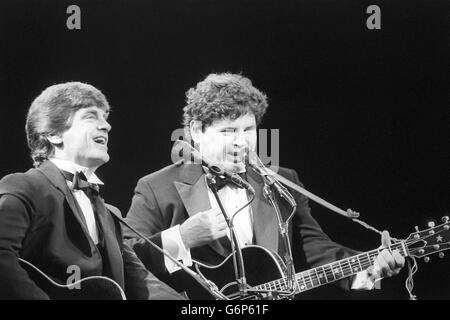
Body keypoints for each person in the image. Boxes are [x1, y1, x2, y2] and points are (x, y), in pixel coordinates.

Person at [124, 73, 405, 299]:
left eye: (248, 130)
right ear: (196, 131)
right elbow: (125, 259)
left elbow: (314, 247)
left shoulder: (282, 180)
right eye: (228, 132)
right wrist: (182, 237)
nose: (241, 142)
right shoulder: (156, 187)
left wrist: (366, 267)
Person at [0, 82, 184, 300]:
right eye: (91, 116)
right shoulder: (24, 186)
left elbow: (141, 281)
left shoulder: (109, 213)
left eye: (105, 117)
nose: (106, 126)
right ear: (54, 134)